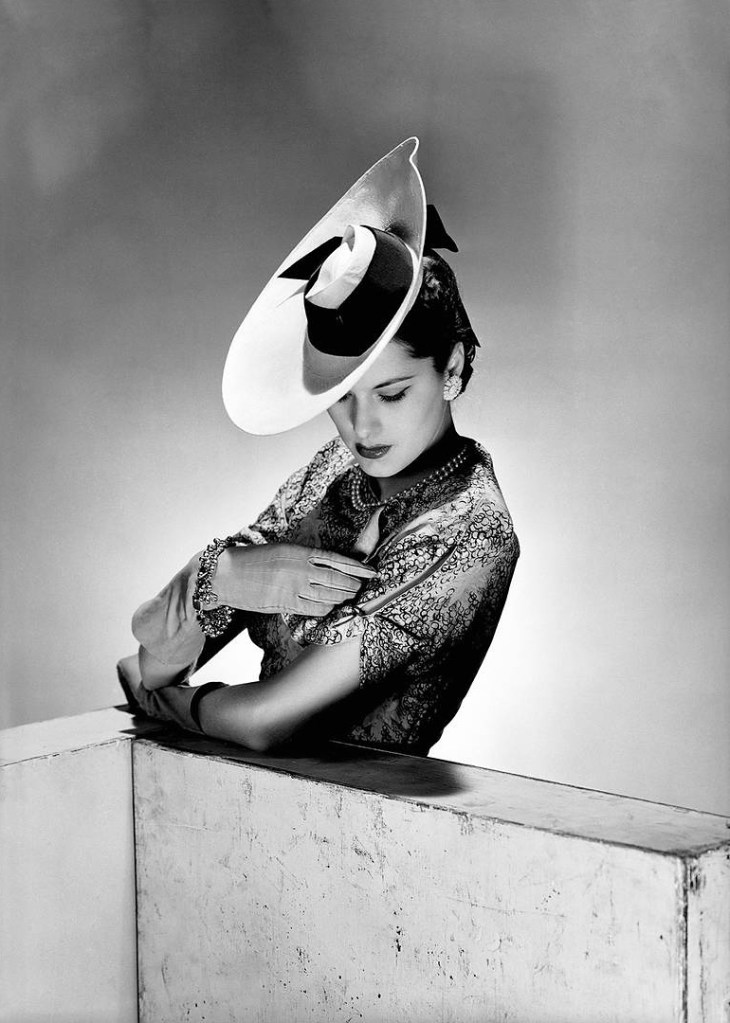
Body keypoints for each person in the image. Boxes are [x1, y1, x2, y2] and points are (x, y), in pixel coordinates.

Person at [117, 138, 519, 756]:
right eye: (340, 397)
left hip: (367, 833)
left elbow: (263, 721)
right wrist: (220, 576)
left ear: (454, 368)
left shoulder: (471, 534)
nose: (362, 430)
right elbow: (150, 662)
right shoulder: (334, 474)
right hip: (228, 803)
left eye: (391, 394)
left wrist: (167, 705)